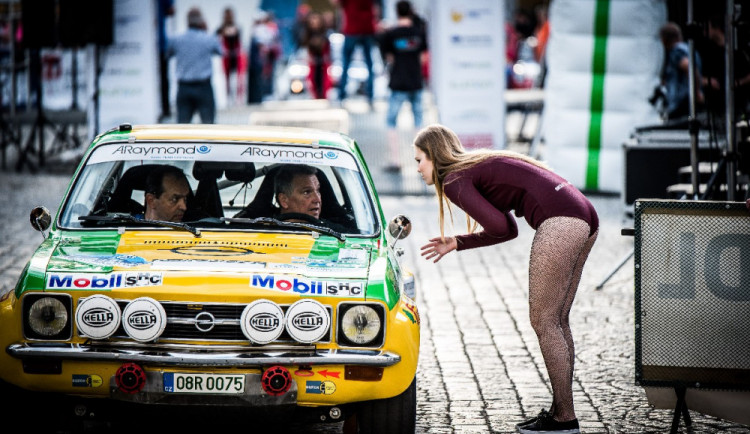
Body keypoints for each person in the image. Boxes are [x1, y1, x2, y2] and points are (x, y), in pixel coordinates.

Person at [413, 124, 598, 434]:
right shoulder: (474, 165)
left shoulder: (454, 179)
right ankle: (560, 412)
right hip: (583, 213)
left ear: (434, 155)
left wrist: (459, 241)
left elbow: (500, 227)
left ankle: (565, 419)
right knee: (558, 320)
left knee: (544, 321)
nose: (417, 168)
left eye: (419, 159)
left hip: (562, 220)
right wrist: (458, 242)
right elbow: (509, 228)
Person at [381, 0, 428, 172]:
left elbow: (389, 58)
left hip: (398, 82)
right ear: (410, 12)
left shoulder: (391, 34)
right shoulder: (418, 33)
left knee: (391, 121)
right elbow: (423, 58)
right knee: (419, 120)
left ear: (396, 12)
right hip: (415, 81)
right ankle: (422, 159)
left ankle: (395, 161)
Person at [167, 7, 223, 124]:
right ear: (201, 21)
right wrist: (206, 31)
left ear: (187, 21)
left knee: (182, 128)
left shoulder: (176, 39)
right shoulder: (208, 38)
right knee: (208, 127)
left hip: (184, 88)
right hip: (204, 88)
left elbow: (167, 54)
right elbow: (221, 51)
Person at [330, 0, 378, 106]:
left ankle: (341, 95)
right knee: (369, 64)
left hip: (352, 29)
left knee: (346, 63)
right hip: (367, 28)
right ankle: (370, 96)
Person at [658, 22, 703, 120]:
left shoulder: (677, 52)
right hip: (688, 102)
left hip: (681, 103)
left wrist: (696, 91)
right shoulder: (689, 49)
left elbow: (689, 68)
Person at [216, 7, 243, 104]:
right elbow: (217, 37)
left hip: (235, 56)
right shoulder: (221, 28)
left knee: (237, 79)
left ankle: (237, 99)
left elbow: (239, 40)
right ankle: (228, 99)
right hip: (226, 57)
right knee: (226, 79)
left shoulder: (236, 27)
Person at [302, 12, 332, 99]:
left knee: (323, 81)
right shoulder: (308, 33)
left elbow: (327, 49)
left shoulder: (324, 34)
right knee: (313, 81)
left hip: (323, 62)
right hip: (313, 63)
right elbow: (305, 46)